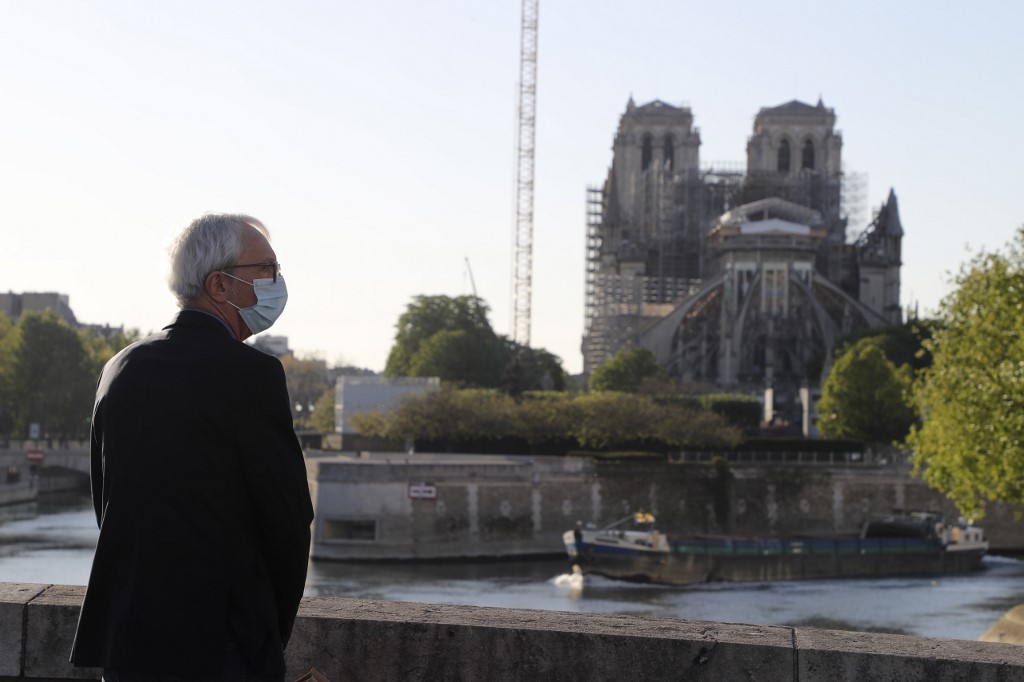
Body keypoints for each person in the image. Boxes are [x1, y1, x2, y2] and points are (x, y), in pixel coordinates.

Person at [71, 214, 314, 680]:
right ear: (219, 285)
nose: (277, 280)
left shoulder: (118, 368)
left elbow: (109, 503)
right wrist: (267, 630)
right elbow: (288, 521)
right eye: (266, 268)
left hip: (129, 640)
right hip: (220, 643)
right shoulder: (252, 375)